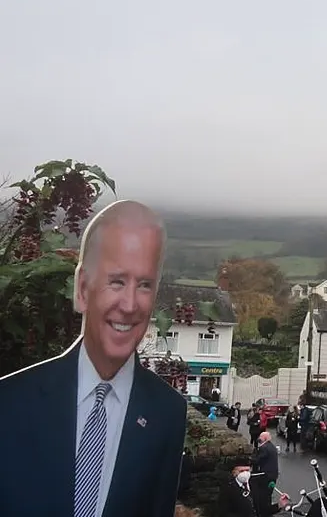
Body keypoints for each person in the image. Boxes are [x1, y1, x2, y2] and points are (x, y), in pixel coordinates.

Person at [0, 200, 188, 517]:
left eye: (144, 285)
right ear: (83, 289)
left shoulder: (167, 412)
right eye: (117, 281)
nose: (129, 305)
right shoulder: (10, 403)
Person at [217, 456, 290, 517]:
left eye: (247, 470)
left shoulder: (255, 485)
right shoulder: (227, 489)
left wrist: (279, 505)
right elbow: (224, 513)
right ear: (234, 473)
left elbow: (263, 510)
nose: (245, 473)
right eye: (241, 471)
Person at [250, 432, 280, 512]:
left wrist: (251, 457)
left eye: (261, 437)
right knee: (268, 495)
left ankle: (263, 511)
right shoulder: (272, 446)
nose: (259, 438)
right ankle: (268, 510)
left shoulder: (264, 448)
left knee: (263, 495)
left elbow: (257, 461)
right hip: (273, 475)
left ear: (265, 438)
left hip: (265, 476)